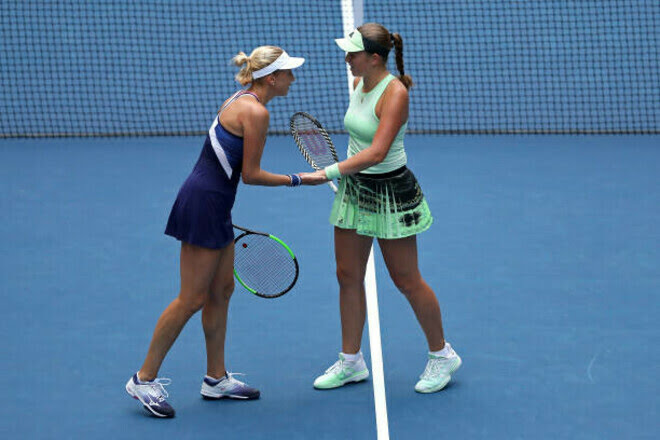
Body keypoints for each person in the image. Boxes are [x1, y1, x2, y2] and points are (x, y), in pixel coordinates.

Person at [125, 46, 324, 418]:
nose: (293, 79)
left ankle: (215, 378)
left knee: (221, 291)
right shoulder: (257, 112)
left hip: (215, 205)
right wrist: (299, 179)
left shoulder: (241, 98)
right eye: (288, 73)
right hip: (203, 205)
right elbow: (251, 175)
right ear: (272, 79)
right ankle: (143, 378)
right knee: (190, 299)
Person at [306, 23, 461, 394]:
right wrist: (346, 176)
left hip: (391, 192)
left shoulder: (395, 93)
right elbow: (358, 143)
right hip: (355, 188)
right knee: (347, 274)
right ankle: (351, 362)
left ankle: (442, 354)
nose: (347, 59)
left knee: (406, 279)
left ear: (374, 58)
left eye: (353, 53)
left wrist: (326, 173)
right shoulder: (359, 82)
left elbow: (377, 152)